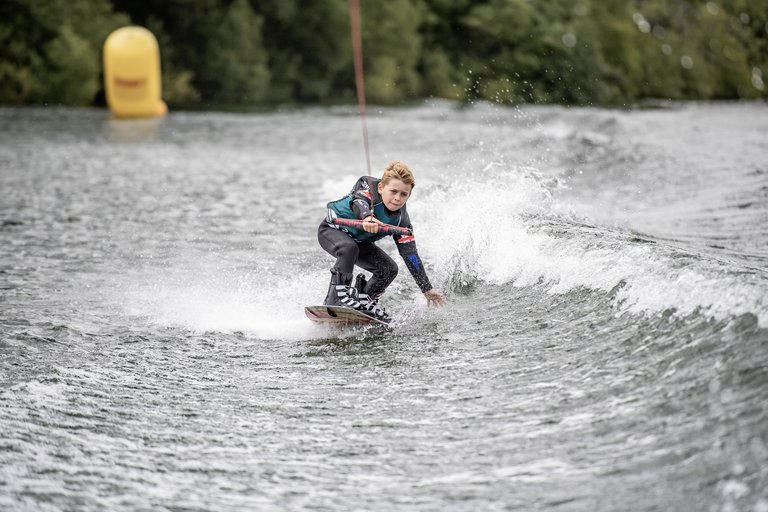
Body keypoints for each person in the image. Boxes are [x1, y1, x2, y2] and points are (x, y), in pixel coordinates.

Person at [318, 160, 446, 323]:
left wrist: (426, 288)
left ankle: (364, 302)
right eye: (393, 191)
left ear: (409, 195)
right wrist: (367, 217)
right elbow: (359, 201)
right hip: (332, 230)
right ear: (381, 188)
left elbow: (410, 255)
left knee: (389, 269)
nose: (397, 198)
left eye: (403, 194)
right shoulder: (368, 187)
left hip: (359, 243)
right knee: (349, 248)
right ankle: (335, 299)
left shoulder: (402, 221)